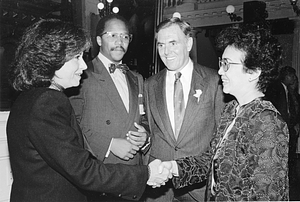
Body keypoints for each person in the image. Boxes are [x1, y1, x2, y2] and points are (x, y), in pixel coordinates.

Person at [6, 18, 171, 202]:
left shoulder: (28, 98)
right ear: (53, 57)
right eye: (76, 57)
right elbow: (84, 170)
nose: (84, 66)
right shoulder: (47, 101)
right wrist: (146, 174)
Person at [159, 23, 290, 201]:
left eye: (227, 64)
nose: (220, 71)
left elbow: (268, 195)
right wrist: (173, 168)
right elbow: (210, 160)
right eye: (221, 63)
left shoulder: (267, 121)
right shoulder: (232, 109)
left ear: (253, 72)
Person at [142, 16, 225, 201]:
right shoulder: (149, 84)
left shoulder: (214, 81)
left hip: (198, 185)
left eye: (173, 43)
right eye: (161, 45)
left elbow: (221, 137)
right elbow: (151, 127)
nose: (166, 51)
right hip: (159, 185)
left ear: (188, 43)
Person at [69, 14, 150, 169]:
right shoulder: (81, 74)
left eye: (125, 36)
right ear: (99, 40)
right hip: (99, 170)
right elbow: (70, 124)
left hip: (133, 171)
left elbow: (144, 118)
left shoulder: (137, 78)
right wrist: (109, 144)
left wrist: (144, 135)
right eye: (113, 35)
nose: (120, 42)